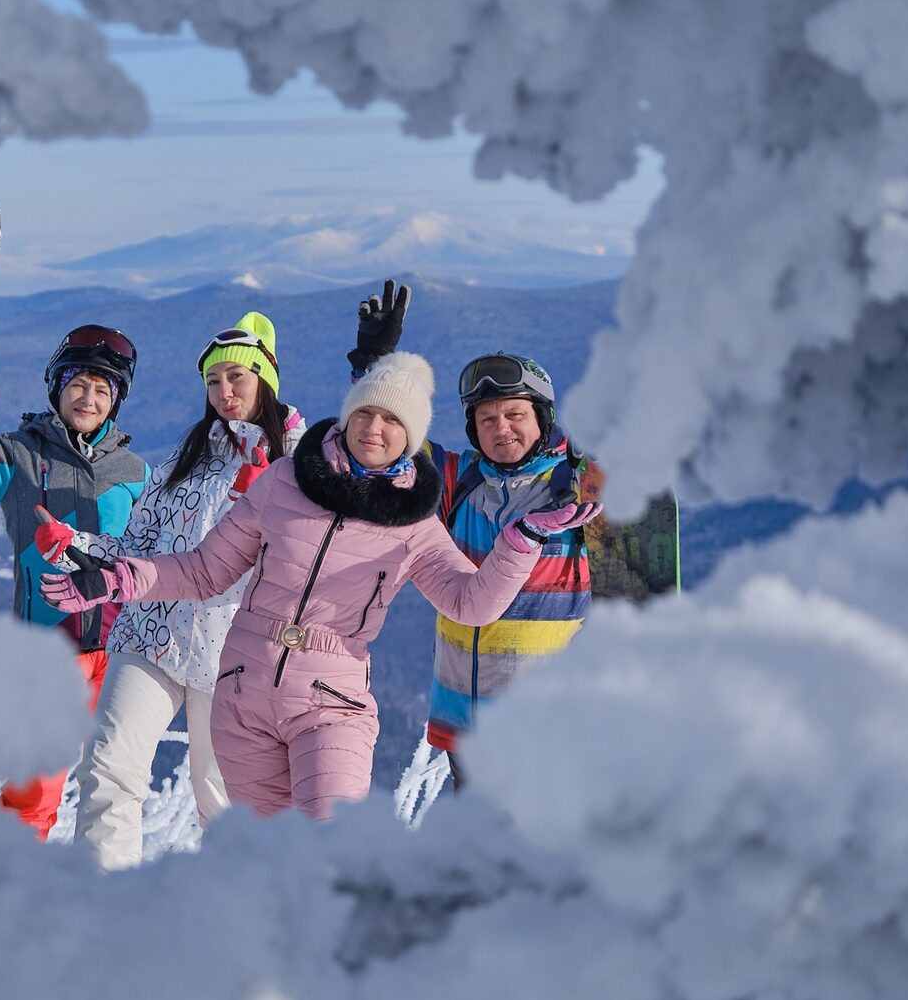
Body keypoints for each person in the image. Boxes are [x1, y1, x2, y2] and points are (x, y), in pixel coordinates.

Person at [40, 351, 602, 821]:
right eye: (364, 413)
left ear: (411, 437)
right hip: (244, 691)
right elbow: (203, 570)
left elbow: (471, 602)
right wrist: (117, 579)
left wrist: (522, 539)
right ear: (347, 415)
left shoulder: (413, 520)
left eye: (392, 420)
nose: (373, 429)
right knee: (268, 859)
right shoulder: (285, 480)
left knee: (328, 848)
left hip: (332, 698)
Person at [31, 312, 305, 868]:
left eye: (237, 378)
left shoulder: (301, 461)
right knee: (108, 769)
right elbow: (140, 544)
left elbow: (326, 546)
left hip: (234, 657)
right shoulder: (190, 454)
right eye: (213, 381)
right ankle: (109, 904)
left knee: (223, 802)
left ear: (265, 382)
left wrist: (273, 503)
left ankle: (230, 924)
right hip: (152, 635)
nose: (224, 392)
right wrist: (76, 544)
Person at [345, 281, 598, 792]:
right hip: (463, 723)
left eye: (515, 415)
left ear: (543, 420)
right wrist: (376, 366)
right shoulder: (458, 481)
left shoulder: (572, 487)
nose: (501, 428)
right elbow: (387, 448)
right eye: (486, 419)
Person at [0, 325, 149, 838]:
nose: (89, 398)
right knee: (36, 786)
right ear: (56, 387)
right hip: (50, 654)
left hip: (122, 653)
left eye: (103, 390)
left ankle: (96, 891)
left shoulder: (135, 471)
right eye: (79, 384)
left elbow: (163, 547)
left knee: (113, 789)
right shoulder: (16, 456)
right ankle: (7, 887)